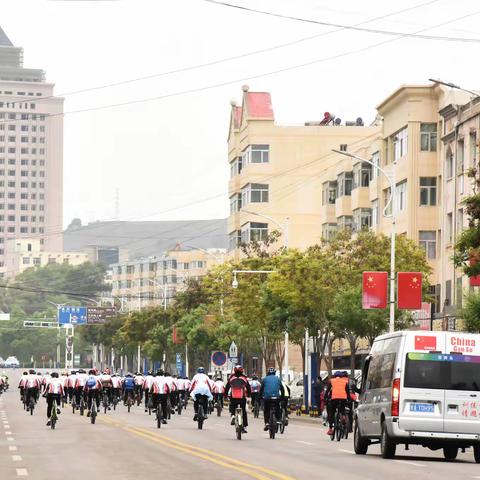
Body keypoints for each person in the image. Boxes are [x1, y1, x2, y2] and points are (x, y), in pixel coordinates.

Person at [225, 365, 251, 434]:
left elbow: (227, 387)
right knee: (244, 411)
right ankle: (244, 426)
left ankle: (233, 415)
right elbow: (248, 387)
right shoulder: (244, 378)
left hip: (233, 397)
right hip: (242, 397)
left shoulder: (232, 377)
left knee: (232, 406)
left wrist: (225, 395)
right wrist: (249, 395)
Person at [325, 371, 350, 436]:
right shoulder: (345, 382)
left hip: (334, 399)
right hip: (343, 399)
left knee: (331, 413)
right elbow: (348, 392)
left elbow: (327, 391)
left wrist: (325, 397)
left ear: (334, 376)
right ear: (341, 376)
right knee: (342, 409)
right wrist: (349, 399)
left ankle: (330, 429)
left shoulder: (331, 381)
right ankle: (343, 417)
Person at [260, 367, 284, 432]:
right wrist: (282, 397)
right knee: (278, 407)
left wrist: (260, 397)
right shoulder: (278, 379)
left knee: (266, 410)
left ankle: (267, 423)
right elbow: (282, 389)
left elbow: (261, 389)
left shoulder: (265, 379)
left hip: (267, 398)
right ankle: (278, 419)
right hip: (276, 397)